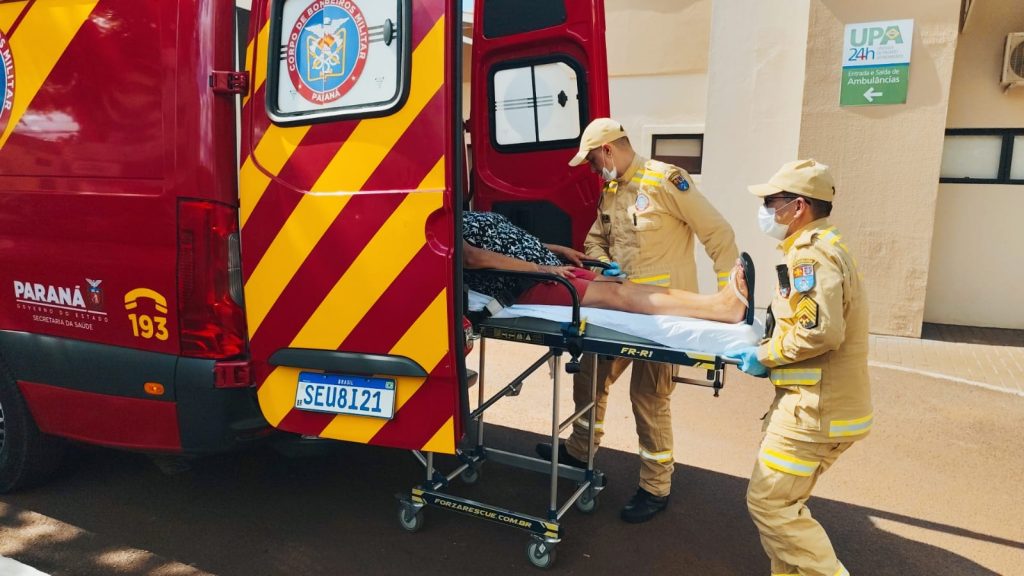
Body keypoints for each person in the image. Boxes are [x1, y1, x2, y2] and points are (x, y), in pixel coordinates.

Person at [536, 118, 739, 524]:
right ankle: (580, 449)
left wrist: (725, 300)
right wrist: (603, 262)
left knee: (648, 397)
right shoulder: (611, 192)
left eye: (593, 161)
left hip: (662, 315)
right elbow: (596, 238)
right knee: (590, 375)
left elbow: (718, 233)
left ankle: (655, 485)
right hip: (619, 308)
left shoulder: (667, 181)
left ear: (608, 150)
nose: (593, 170)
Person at [728, 159, 871, 576]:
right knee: (786, 507)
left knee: (770, 504)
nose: (768, 210)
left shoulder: (810, 257)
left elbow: (820, 333)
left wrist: (765, 355)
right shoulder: (826, 246)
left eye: (773, 201)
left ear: (799, 206)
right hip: (821, 404)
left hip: (814, 411)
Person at [461, 210, 749, 324]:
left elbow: (503, 240)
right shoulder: (440, 222)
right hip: (523, 282)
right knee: (616, 296)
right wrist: (539, 269)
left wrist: (555, 250)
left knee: (624, 287)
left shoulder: (460, 212)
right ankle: (720, 310)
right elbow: (472, 258)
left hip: (548, 268)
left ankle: (715, 303)